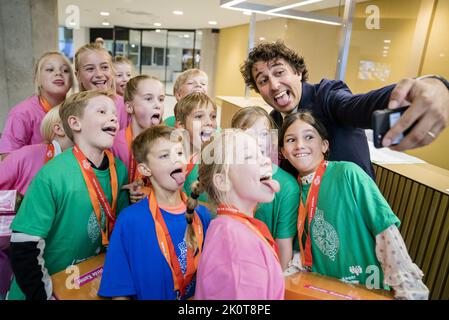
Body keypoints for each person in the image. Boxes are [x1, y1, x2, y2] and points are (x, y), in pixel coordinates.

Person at [240, 40, 449, 178]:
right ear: (259, 90)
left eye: (279, 72)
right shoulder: (272, 122)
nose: (274, 85)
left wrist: (434, 85)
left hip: (353, 212)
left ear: (299, 72)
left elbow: (360, 105)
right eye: (263, 80)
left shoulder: (327, 95)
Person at [279, 111, 429, 300]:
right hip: (325, 291)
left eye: (309, 137)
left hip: (368, 289)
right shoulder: (294, 191)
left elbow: (386, 232)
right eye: (291, 140)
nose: (300, 145)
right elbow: (301, 251)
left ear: (324, 145)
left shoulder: (348, 173)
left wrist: (408, 290)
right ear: (283, 152)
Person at [7, 90, 129, 300]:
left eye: (114, 114)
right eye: (102, 111)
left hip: (85, 288)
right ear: (75, 123)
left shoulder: (118, 169)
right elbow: (24, 247)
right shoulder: (52, 175)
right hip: (42, 291)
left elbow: (121, 230)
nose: (113, 117)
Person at [98, 125, 212, 300]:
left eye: (180, 153)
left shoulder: (202, 215)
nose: (176, 160)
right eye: (165, 155)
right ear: (145, 169)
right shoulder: (130, 221)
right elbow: (119, 291)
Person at [193, 130, 284, 300]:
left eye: (262, 154)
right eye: (250, 157)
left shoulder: (231, 228)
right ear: (223, 181)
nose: (266, 160)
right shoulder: (235, 242)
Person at [231, 106, 298, 271]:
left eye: (263, 134)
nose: (257, 141)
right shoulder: (227, 178)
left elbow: (284, 246)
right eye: (247, 134)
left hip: (266, 271)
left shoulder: (287, 186)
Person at [0, 52, 74, 157]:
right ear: (37, 79)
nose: (58, 73)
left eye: (65, 70)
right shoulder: (22, 113)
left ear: (71, 81)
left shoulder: (76, 109)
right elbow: (7, 157)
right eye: (50, 69)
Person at [111, 75, 165, 202]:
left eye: (161, 99)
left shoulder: (166, 144)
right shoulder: (115, 144)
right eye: (148, 99)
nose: (157, 105)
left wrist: (151, 192)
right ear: (130, 107)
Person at [0, 105, 73, 195]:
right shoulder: (26, 156)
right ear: (58, 129)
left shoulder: (87, 161)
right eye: (73, 121)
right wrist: (17, 202)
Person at [74, 43, 129, 130]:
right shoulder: (72, 107)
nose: (99, 74)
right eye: (90, 69)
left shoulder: (123, 107)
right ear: (78, 76)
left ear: (112, 71)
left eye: (104, 67)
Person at [175, 92, 218, 203]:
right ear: (181, 125)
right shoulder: (173, 161)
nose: (209, 122)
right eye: (199, 116)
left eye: (213, 117)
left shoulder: (219, 161)